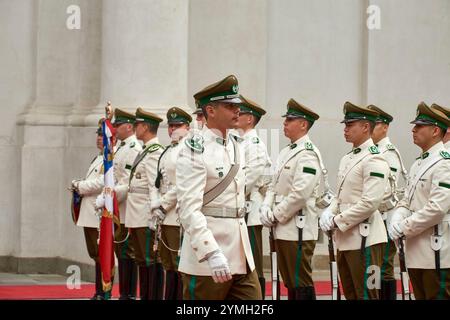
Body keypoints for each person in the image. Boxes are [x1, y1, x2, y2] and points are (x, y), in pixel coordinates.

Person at [176, 75, 261, 300]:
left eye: (237, 106)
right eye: (229, 106)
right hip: (207, 258)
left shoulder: (237, 145)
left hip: (240, 254)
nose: (237, 111)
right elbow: (189, 209)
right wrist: (210, 251)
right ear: (211, 111)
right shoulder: (194, 149)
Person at [320, 102, 389, 300]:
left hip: (366, 241)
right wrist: (329, 211)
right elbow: (341, 197)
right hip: (346, 239)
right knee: (351, 295)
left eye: (350, 125)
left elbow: (370, 203)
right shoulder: (348, 158)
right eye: (345, 125)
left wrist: (337, 220)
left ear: (366, 127)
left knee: (369, 295)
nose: (345, 129)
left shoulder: (375, 159)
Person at [260, 99, 323, 300]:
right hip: (284, 227)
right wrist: (266, 207)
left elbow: (300, 194)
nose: (284, 124)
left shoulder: (308, 154)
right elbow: (273, 184)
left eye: (289, 120)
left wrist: (276, 215)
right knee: (290, 281)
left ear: (303, 124)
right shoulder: (287, 151)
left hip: (298, 228)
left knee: (300, 281)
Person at [389, 102, 450, 300]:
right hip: (416, 251)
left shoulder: (445, 163)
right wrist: (396, 217)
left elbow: (437, 208)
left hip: (436, 253)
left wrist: (404, 226)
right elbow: (407, 199)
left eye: (420, 126)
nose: (413, 130)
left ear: (435, 130)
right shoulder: (418, 162)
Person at [97, 108, 142, 299]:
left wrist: (110, 197)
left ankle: (129, 294)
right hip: (116, 208)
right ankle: (124, 292)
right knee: (121, 253)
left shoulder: (133, 150)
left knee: (127, 254)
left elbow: (126, 183)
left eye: (117, 125)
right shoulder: (121, 148)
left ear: (129, 127)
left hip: (124, 209)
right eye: (113, 125)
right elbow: (111, 178)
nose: (114, 129)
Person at [122, 107, 164, 300]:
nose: (135, 127)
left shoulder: (154, 152)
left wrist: (153, 214)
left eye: (137, 124)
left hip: (145, 214)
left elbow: (154, 186)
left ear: (146, 127)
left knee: (150, 261)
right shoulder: (145, 150)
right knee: (141, 260)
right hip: (136, 214)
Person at [150, 107, 192, 300]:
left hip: (176, 214)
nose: (173, 129)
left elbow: (182, 184)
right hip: (164, 214)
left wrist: (162, 205)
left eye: (178, 125)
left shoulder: (189, 149)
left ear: (188, 127)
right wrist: (155, 205)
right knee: (167, 263)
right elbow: (159, 182)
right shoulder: (169, 150)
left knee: (178, 264)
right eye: (170, 125)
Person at [367, 104, 408, 300]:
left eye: (373, 125)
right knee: (372, 269)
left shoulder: (389, 153)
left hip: (384, 218)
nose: (370, 129)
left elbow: (385, 190)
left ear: (385, 127)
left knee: (382, 268)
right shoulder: (371, 151)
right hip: (372, 218)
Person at [235, 95, 271, 298]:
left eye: (240, 113)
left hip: (249, 212)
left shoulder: (255, 144)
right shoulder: (238, 142)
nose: (236, 115)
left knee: (253, 265)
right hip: (239, 210)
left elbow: (248, 179)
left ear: (250, 119)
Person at [71, 119, 106, 299]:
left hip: (98, 214)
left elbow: (103, 182)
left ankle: (103, 291)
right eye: (98, 135)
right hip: (89, 213)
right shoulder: (97, 158)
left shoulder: (109, 158)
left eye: (102, 135)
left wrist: (80, 186)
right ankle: (98, 290)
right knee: (94, 254)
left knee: (102, 255)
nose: (99, 138)